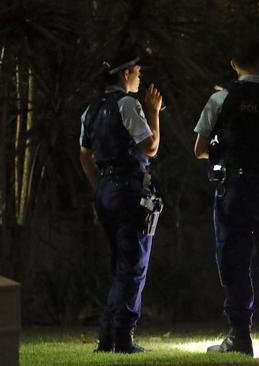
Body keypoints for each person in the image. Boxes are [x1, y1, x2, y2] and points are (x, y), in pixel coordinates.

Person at [193, 40, 259, 358]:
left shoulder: (221, 99)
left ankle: (240, 338)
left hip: (235, 189)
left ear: (233, 64)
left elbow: (199, 149)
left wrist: (223, 151)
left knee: (234, 262)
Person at [79, 46, 163, 354]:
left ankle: (110, 335)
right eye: (138, 72)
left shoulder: (91, 109)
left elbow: (84, 154)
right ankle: (118, 335)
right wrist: (153, 112)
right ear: (126, 73)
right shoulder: (128, 104)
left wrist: (100, 186)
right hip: (129, 188)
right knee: (133, 263)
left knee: (120, 263)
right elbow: (150, 146)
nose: (141, 77)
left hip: (105, 190)